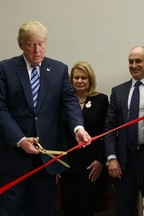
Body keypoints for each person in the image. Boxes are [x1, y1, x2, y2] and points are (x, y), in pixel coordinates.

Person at [0, 21, 91, 216]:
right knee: (10, 210)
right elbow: (1, 109)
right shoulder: (5, 69)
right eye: (31, 44)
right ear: (21, 44)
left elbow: (69, 102)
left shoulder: (58, 70)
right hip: (13, 158)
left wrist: (78, 128)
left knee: (42, 210)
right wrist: (20, 140)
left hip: (45, 160)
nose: (37, 50)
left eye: (41, 43)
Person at [60, 61, 109, 216]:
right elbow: (57, 132)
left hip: (91, 167)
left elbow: (107, 133)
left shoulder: (101, 100)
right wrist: (56, 162)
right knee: (68, 208)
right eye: (76, 78)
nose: (79, 81)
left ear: (90, 80)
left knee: (87, 209)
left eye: (83, 78)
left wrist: (101, 161)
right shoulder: (64, 102)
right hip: (66, 165)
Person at [104, 46, 144, 216]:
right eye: (131, 61)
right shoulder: (118, 92)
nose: (134, 65)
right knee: (124, 210)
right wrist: (112, 158)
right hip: (124, 161)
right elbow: (109, 127)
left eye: (138, 61)